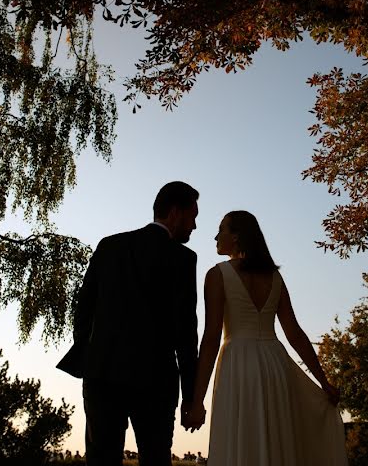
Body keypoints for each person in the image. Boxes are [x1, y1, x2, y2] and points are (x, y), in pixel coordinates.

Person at [186, 210, 348, 465]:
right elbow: (294, 333)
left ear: (236, 237)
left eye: (222, 230)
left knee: (242, 439)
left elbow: (211, 339)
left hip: (237, 364)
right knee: (275, 439)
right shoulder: (275, 277)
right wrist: (323, 381)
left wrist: (197, 402)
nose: (216, 236)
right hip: (275, 364)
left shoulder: (217, 275)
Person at [57, 181, 200, 466]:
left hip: (102, 375)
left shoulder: (110, 246)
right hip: (156, 381)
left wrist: (90, 353)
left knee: (101, 459)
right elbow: (186, 332)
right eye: (192, 217)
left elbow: (83, 308)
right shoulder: (183, 259)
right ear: (174, 213)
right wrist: (190, 397)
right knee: (156, 459)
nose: (194, 226)